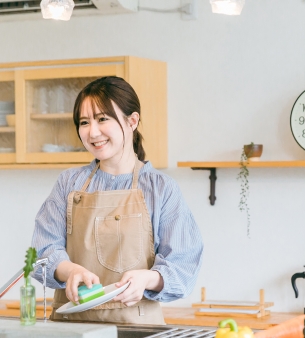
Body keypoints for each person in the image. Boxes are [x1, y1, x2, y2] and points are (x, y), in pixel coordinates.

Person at [31, 76, 203, 325]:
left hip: (138, 331)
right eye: (84, 122)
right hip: (71, 330)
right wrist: (71, 270)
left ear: (132, 121)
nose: (93, 132)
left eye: (102, 119)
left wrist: (147, 279)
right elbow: (42, 253)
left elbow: (183, 266)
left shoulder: (160, 189)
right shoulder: (68, 184)